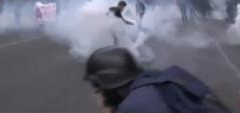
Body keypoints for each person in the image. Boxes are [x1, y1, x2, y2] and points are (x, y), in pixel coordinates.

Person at [84, 47, 230, 113]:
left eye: (97, 90)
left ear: (110, 88)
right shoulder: (158, 79)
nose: (95, 96)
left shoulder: (134, 107)